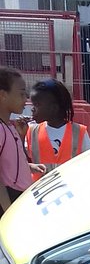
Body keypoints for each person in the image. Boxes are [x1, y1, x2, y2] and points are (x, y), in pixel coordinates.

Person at [0, 67, 45, 215]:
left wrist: (29, 166)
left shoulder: (9, 126)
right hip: (10, 202)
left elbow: (8, 162)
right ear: (3, 95)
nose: (26, 99)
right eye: (21, 93)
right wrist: (8, 213)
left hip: (20, 197)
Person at [26, 77, 90, 170]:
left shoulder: (79, 132)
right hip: (42, 180)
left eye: (37, 105)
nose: (32, 109)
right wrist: (21, 136)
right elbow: (23, 163)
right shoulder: (31, 131)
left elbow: (89, 163)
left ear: (54, 108)